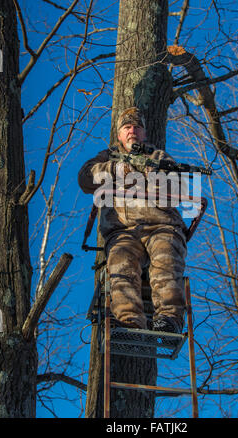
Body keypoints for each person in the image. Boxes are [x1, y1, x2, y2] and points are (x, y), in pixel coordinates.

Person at [78, 107, 187, 333]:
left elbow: (177, 190)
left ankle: (169, 320)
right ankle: (129, 322)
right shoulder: (107, 157)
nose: (132, 131)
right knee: (121, 262)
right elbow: (86, 177)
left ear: (144, 133)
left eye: (137, 127)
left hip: (161, 226)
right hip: (123, 230)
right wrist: (117, 170)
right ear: (119, 134)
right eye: (126, 127)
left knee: (166, 257)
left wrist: (151, 174)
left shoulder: (159, 157)